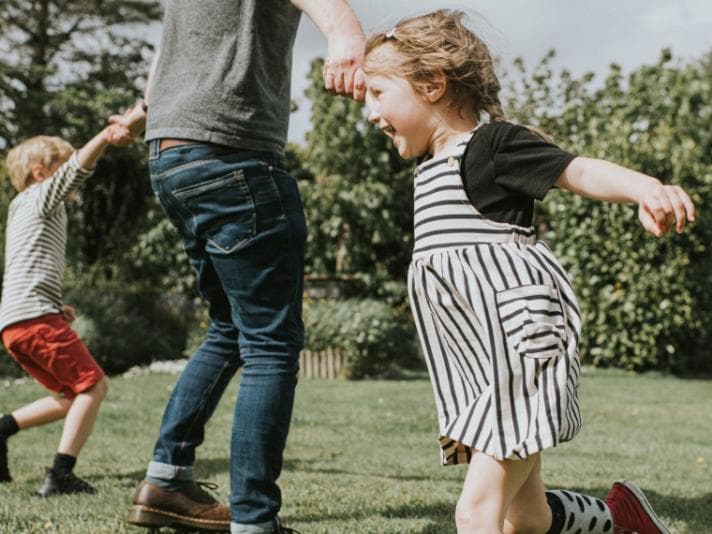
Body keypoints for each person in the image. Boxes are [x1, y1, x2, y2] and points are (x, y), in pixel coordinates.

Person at [362, 9, 694, 534]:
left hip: (519, 358)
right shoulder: (431, 169)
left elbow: (575, 169)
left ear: (431, 85)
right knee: (527, 516)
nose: (368, 112)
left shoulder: (493, 146)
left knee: (475, 514)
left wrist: (644, 187)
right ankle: (621, 519)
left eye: (377, 94)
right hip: (482, 373)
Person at [108, 1, 365, 532]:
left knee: (230, 326)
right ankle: (254, 521)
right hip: (232, 151)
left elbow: (171, 55)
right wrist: (344, 32)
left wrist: (144, 110)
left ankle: (166, 480)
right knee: (272, 342)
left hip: (171, 152)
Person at [0, 123, 134, 496]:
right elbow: (80, 166)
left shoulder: (21, 208)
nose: (71, 174)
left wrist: (54, 305)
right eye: (61, 163)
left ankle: (3, 427)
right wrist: (107, 136)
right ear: (41, 173)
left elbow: (26, 264)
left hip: (15, 323)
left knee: (71, 396)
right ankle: (60, 474)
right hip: (34, 319)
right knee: (93, 386)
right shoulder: (42, 195)